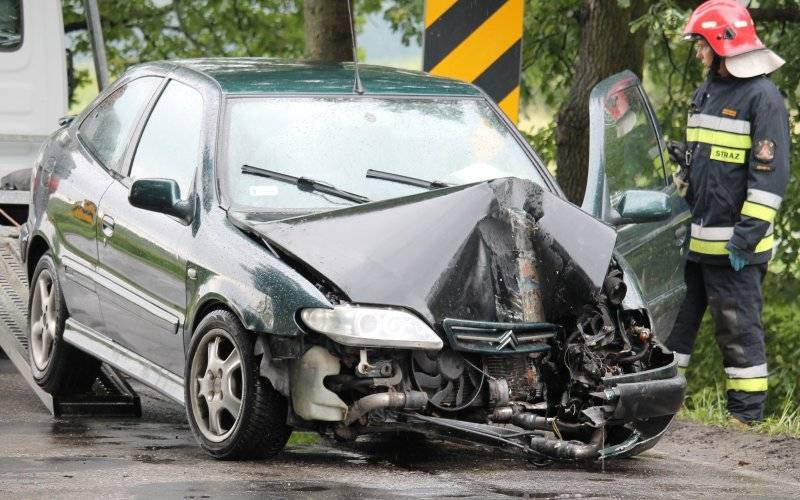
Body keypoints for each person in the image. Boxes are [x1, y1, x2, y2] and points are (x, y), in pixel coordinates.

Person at [666, 0, 789, 428]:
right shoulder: (708, 91)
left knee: (739, 336)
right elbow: (704, 167)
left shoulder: (763, 98)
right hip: (696, 246)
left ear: (723, 45)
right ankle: (660, 408)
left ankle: (745, 421)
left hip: (736, 250)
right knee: (673, 334)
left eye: (702, 45)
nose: (699, 54)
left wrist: (745, 238)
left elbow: (769, 181)